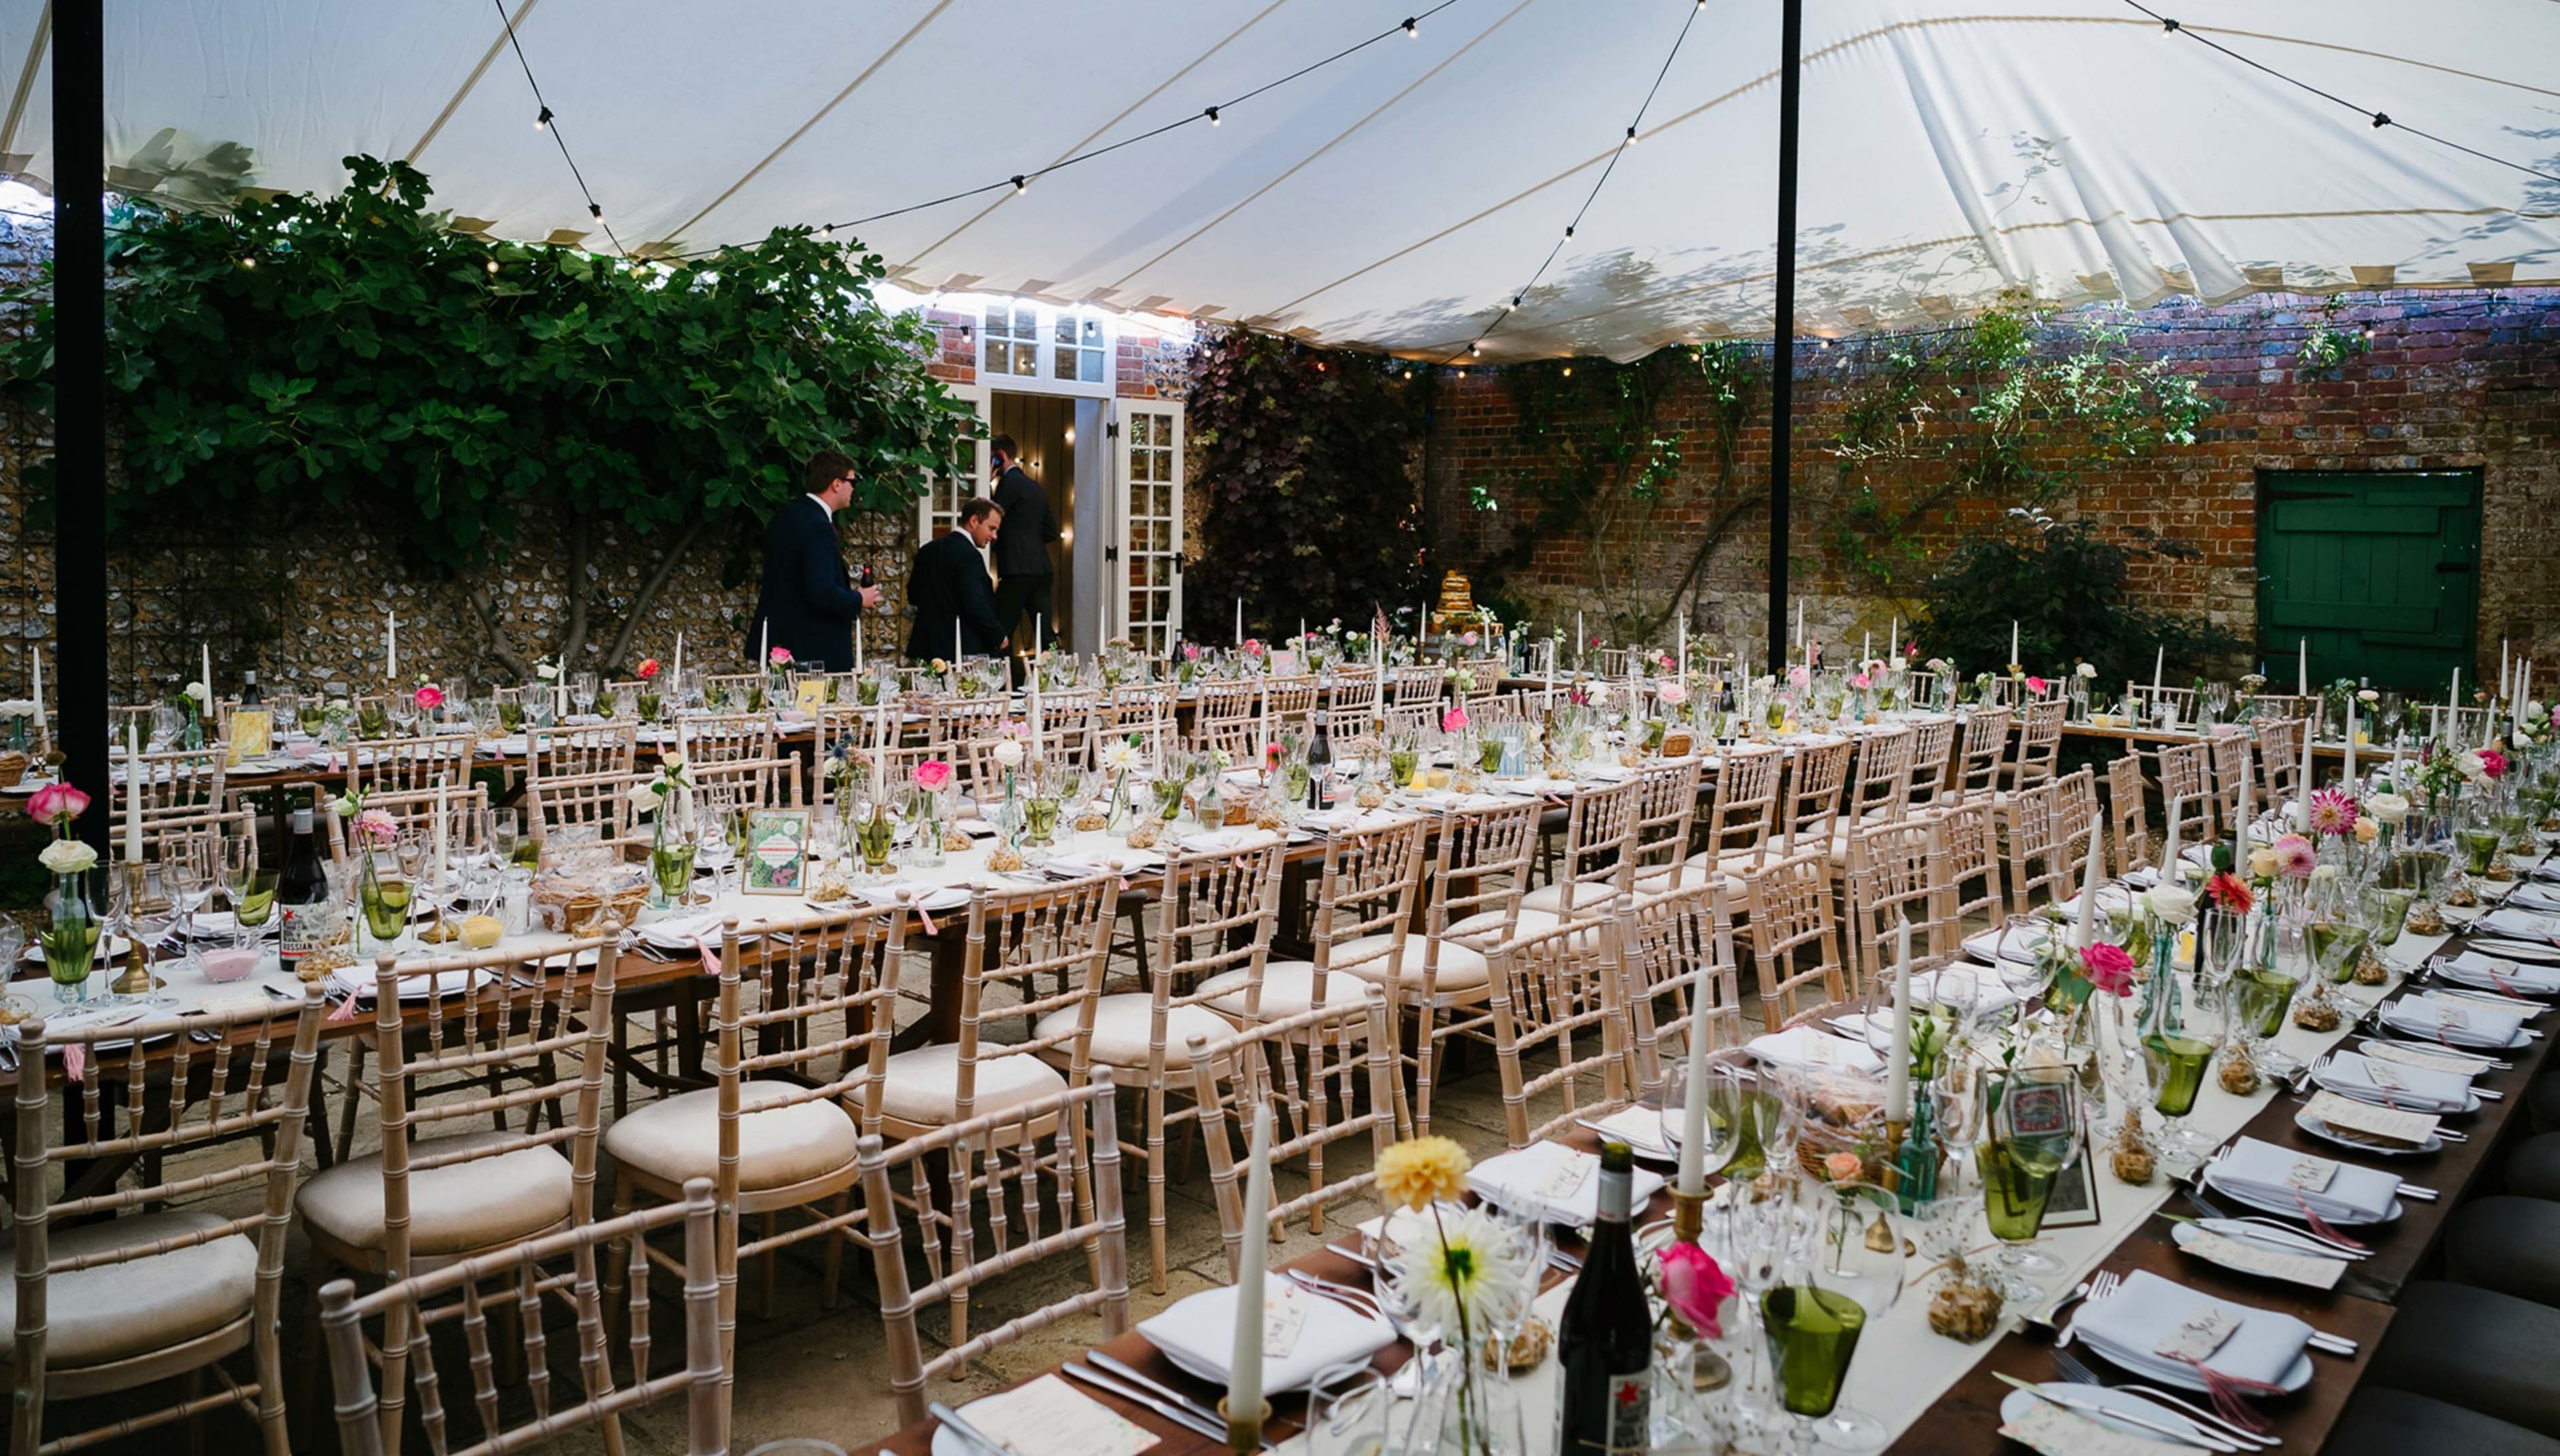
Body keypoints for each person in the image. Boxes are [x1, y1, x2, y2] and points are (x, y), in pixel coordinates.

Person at [744, 449, 881, 672]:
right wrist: (858, 598)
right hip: (813, 647)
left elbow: (794, 579)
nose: (853, 489)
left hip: (779, 639)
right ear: (837, 483)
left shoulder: (785, 516)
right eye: (852, 481)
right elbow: (821, 591)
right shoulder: (818, 527)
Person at [905, 498, 1008, 661]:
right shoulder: (970, 556)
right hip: (961, 650)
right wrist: (998, 635)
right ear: (974, 521)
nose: (994, 536)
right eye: (991, 528)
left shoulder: (927, 550)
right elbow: (976, 603)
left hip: (926, 647)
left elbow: (914, 595)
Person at [987, 433, 1059, 655]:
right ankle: (1056, 678)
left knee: (1002, 631)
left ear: (999, 457)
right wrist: (1030, 541)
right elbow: (1051, 531)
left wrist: (987, 480)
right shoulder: (1034, 487)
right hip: (1041, 568)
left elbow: (990, 515)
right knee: (1046, 632)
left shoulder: (1007, 484)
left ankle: (1000, 682)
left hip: (1016, 569)